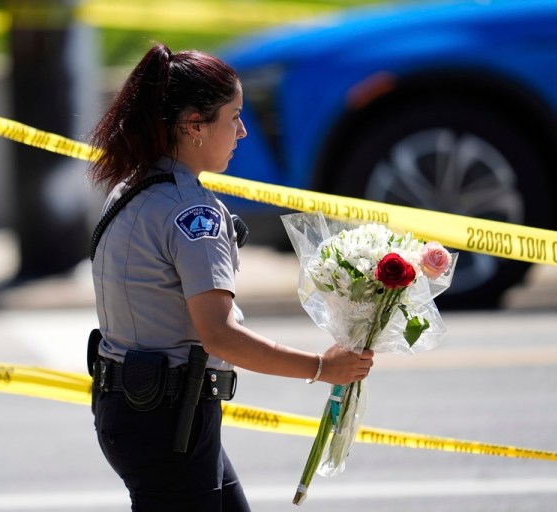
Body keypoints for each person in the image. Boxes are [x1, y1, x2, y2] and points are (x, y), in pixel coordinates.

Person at [87, 43, 374, 512]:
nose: (242, 131)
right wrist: (322, 368)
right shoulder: (193, 212)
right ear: (194, 127)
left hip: (135, 411)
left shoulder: (130, 187)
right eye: (234, 117)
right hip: (169, 421)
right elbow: (219, 334)